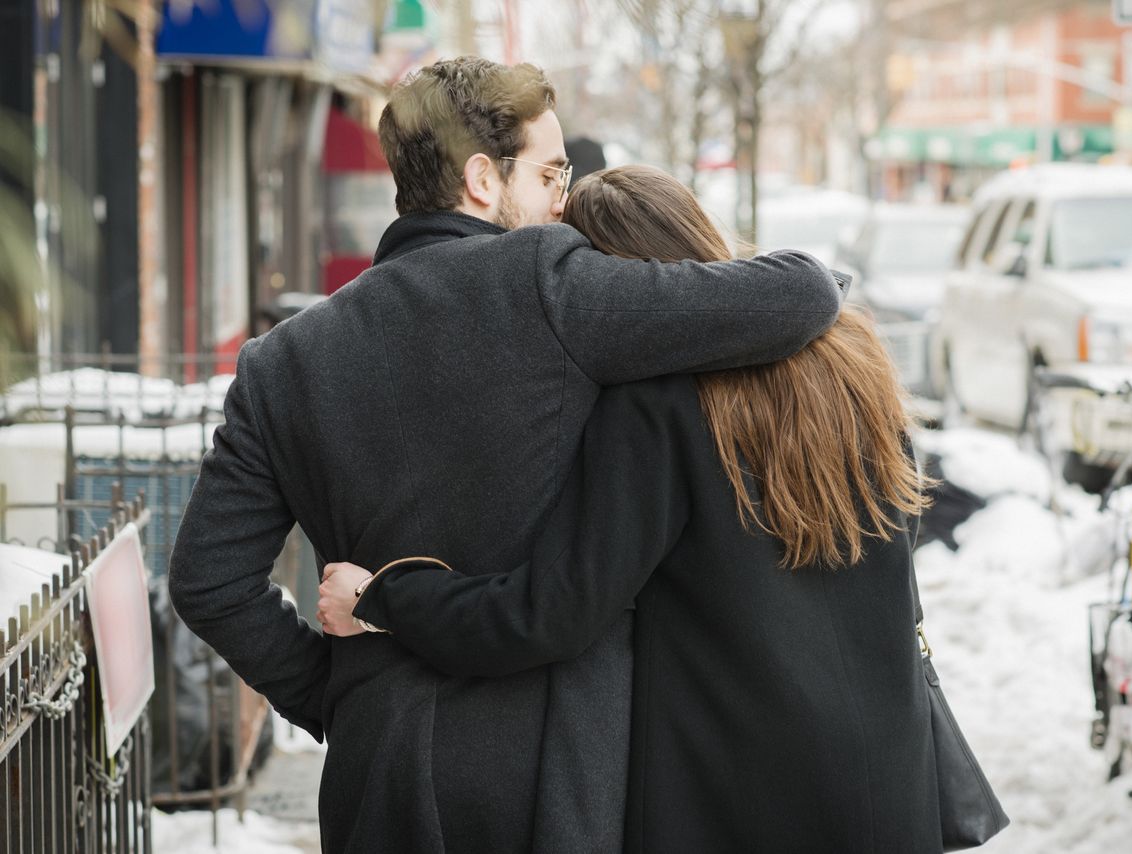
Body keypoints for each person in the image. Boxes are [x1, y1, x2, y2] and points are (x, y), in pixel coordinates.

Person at [167, 59, 841, 854]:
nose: (565, 199)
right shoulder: (553, 284)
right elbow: (803, 293)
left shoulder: (281, 361)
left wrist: (333, 695)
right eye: (552, 174)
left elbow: (208, 580)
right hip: (562, 764)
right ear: (483, 179)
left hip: (377, 760)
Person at [320, 165, 942, 852]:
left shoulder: (656, 405)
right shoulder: (850, 360)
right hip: (891, 785)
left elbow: (547, 614)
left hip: (741, 802)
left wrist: (383, 595)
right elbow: (898, 541)